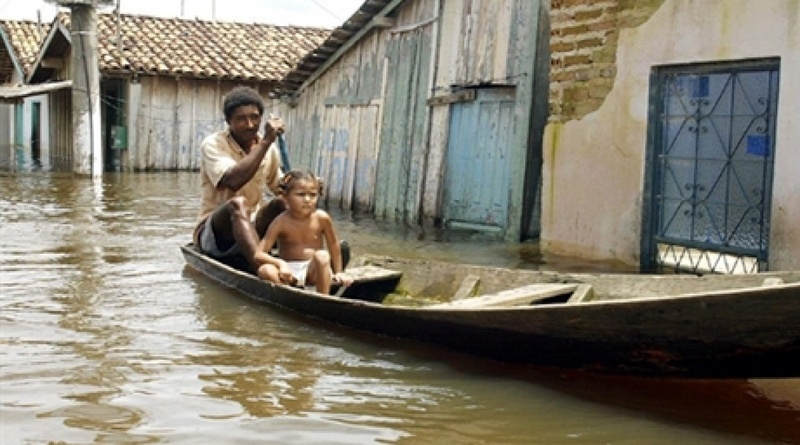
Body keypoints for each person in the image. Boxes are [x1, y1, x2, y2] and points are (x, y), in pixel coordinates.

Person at [193, 86, 288, 273]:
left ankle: (301, 260)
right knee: (237, 204)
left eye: (254, 117)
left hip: (252, 226)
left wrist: (304, 186)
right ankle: (262, 269)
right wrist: (266, 142)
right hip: (215, 233)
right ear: (229, 121)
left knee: (282, 202)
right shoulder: (214, 144)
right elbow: (233, 180)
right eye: (241, 119)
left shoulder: (269, 149)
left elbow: (280, 186)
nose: (250, 124)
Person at [254, 170, 353, 294]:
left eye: (312, 195)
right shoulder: (280, 222)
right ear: (284, 196)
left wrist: (339, 272)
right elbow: (259, 254)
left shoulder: (322, 218)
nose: (307, 200)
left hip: (314, 270)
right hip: (289, 272)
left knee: (322, 255)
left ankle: (323, 298)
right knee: (265, 270)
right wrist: (280, 264)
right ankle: (288, 295)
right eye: (300, 194)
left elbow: (334, 245)